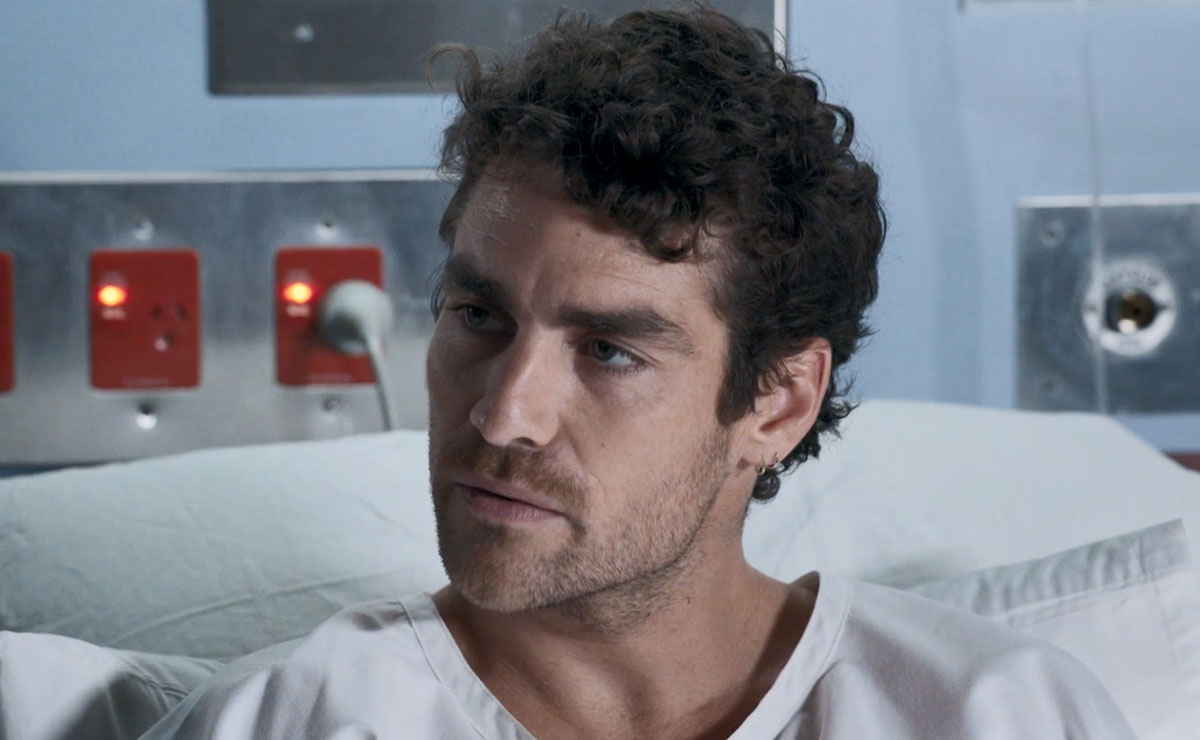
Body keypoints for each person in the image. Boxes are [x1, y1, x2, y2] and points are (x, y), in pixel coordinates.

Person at [140, 5, 1134, 739]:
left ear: (777, 403)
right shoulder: (285, 720)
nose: (504, 413)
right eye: (479, 316)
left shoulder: (998, 713)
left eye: (609, 351)